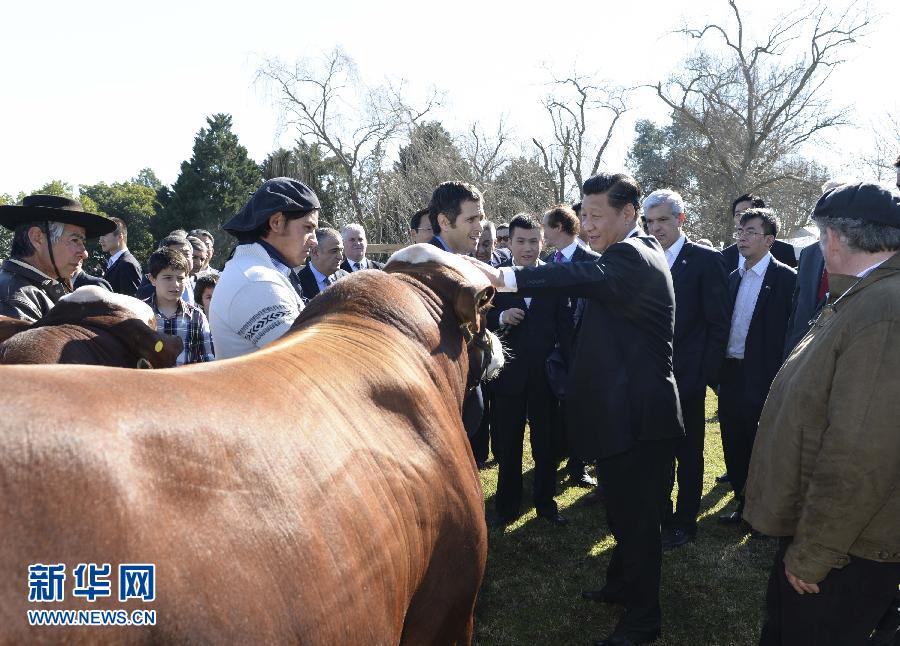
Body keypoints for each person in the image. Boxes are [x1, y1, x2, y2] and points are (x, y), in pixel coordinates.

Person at [467, 172, 683, 646]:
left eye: (596, 216)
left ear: (628, 214)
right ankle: (622, 585)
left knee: (638, 523)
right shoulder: (627, 254)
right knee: (624, 515)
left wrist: (503, 275)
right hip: (622, 417)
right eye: (582, 215)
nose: (586, 225)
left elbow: (578, 274)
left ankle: (644, 619)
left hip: (640, 421)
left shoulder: (633, 254)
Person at [744, 182, 900, 645]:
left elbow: (861, 452)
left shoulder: (883, 309)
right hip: (835, 538)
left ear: (833, 237)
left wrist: (815, 552)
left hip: (846, 551)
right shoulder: (865, 295)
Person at [643, 189, 730, 550]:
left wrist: (701, 375)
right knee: (655, 451)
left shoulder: (706, 260)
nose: (656, 227)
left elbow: (719, 324)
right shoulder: (644, 256)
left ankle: (685, 523)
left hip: (688, 380)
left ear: (680, 220)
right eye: (650, 221)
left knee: (689, 455)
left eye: (663, 220)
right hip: (650, 377)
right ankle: (660, 515)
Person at [487, 214, 573, 528]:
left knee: (546, 444)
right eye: (520, 241)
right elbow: (478, 317)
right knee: (508, 445)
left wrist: (571, 367)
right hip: (508, 377)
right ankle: (507, 507)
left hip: (544, 378)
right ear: (507, 242)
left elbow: (565, 327)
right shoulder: (496, 278)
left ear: (542, 241)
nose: (527, 247)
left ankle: (546, 504)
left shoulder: (553, 277)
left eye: (533, 241)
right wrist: (499, 316)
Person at [717, 208, 796, 526]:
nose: (742, 237)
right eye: (740, 231)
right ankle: (743, 503)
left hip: (764, 375)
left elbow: (790, 333)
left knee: (762, 445)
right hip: (731, 373)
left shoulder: (787, 279)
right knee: (733, 440)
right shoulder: (733, 278)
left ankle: (766, 513)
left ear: (769, 240)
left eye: (750, 231)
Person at [208, 177, 319, 360]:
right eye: (308, 227)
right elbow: (309, 359)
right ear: (276, 222)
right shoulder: (256, 282)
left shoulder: (256, 272)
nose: (314, 241)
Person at [542, 203, 599, 488]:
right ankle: (553, 459)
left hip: (582, 349)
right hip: (554, 348)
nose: (542, 233)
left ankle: (579, 466)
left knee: (580, 410)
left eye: (545, 227)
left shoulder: (591, 260)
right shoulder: (550, 262)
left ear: (559, 227)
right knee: (555, 411)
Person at [0, 194, 115, 321]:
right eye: (75, 240)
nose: (84, 253)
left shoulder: (31, 289)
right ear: (37, 238)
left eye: (83, 243)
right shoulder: (14, 300)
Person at [144, 247, 214, 366]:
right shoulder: (140, 312)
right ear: (152, 279)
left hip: (185, 382)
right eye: (168, 278)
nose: (175, 284)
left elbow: (208, 359)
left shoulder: (196, 316)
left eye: (180, 278)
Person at [722, 194, 797, 271]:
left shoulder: (784, 251)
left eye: (747, 212)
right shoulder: (723, 256)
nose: (742, 217)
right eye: (737, 214)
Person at [428, 182, 485, 255]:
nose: (480, 228)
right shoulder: (426, 264)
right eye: (471, 219)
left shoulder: (460, 261)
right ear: (444, 222)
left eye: (481, 219)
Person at [135, 234, 195, 303]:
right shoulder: (148, 291)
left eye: (186, 254)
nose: (182, 258)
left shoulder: (197, 282)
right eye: (176, 254)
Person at [298, 228, 349, 299]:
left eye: (341, 251)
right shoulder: (298, 283)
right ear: (315, 252)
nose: (340, 257)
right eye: (334, 251)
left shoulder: (347, 278)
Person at [99, 217, 142, 296]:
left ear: (120, 236)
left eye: (104, 235)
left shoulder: (127, 264)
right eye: (100, 235)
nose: (100, 240)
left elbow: (131, 301)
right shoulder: (115, 262)